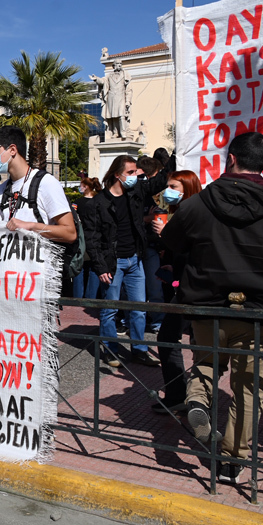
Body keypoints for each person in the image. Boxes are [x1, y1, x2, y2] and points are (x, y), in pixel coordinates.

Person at [161, 132, 263, 484]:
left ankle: (198, 401)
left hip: (206, 307)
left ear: (230, 159)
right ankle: (232, 459)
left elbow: (171, 243)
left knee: (205, 363)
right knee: (249, 386)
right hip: (260, 313)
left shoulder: (197, 204)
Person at [84, 154, 169, 367]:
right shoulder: (98, 202)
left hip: (135, 260)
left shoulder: (135, 192)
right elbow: (92, 238)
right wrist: (101, 267)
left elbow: (159, 181)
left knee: (139, 308)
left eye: (136, 172)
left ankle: (139, 349)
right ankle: (110, 349)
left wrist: (177, 154)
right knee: (110, 308)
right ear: (117, 174)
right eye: (130, 173)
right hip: (113, 263)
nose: (135, 177)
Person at [148, 170, 202, 414]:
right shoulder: (181, 212)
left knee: (170, 337)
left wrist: (165, 236)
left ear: (186, 189)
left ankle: (181, 395)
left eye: (173, 186)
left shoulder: (192, 214)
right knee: (189, 340)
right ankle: (186, 395)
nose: (167, 191)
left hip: (192, 289)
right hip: (183, 284)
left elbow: (193, 251)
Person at [0, 126, 76, 244]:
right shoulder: (1, 191)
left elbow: (70, 233)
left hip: (42, 260)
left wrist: (30, 226)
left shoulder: (46, 182)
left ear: (12, 150)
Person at [138, 156, 167, 333]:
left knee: (155, 287)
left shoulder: (149, 195)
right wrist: (147, 218)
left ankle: (157, 321)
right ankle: (135, 321)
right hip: (136, 247)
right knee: (136, 290)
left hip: (151, 246)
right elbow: (132, 221)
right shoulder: (134, 193)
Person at [73, 176, 103, 299]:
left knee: (78, 269)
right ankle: (92, 299)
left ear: (85, 187)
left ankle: (77, 299)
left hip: (81, 240)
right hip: (96, 239)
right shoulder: (100, 202)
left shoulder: (77, 204)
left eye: (81, 186)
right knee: (95, 269)